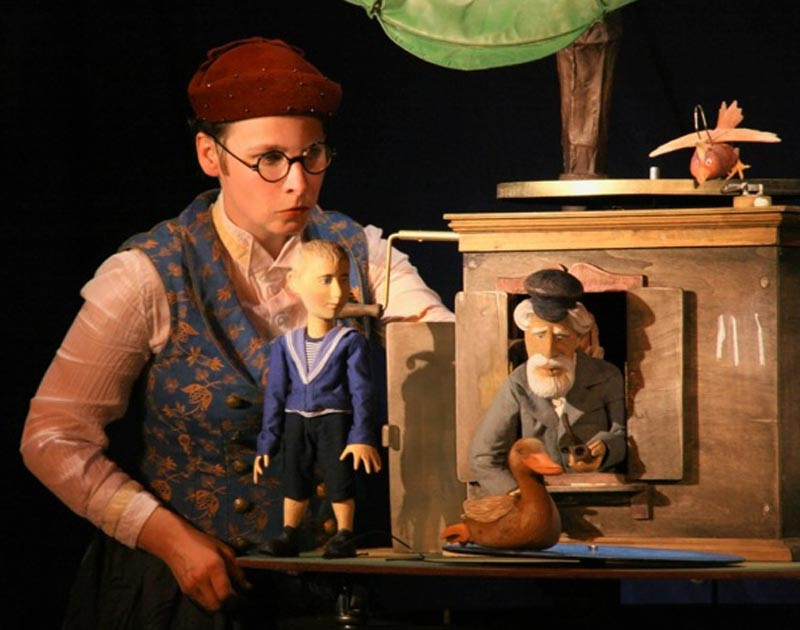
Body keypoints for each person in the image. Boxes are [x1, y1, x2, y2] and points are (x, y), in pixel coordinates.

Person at [20, 36, 452, 626]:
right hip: (181, 592)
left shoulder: (362, 254)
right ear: (210, 154)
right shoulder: (149, 274)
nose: (297, 183)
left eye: (312, 154)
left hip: (322, 593)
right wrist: (169, 539)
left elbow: (445, 352)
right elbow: (52, 437)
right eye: (269, 159)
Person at [253, 240, 381, 559]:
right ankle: (290, 532)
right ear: (295, 283)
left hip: (334, 419)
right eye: (325, 280)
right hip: (297, 420)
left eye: (343, 279)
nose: (337, 292)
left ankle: (344, 533)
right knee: (294, 476)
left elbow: (362, 393)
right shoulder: (286, 345)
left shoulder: (349, 341)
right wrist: (267, 442)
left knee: (339, 477)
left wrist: (361, 436)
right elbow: (275, 395)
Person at [469, 269, 625, 497]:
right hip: (540, 497)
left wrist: (606, 448)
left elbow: (623, 435)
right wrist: (520, 496)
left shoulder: (606, 376)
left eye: (561, 337)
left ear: (578, 338)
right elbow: (483, 456)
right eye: (539, 336)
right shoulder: (518, 383)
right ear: (525, 336)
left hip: (602, 495)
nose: (549, 351)